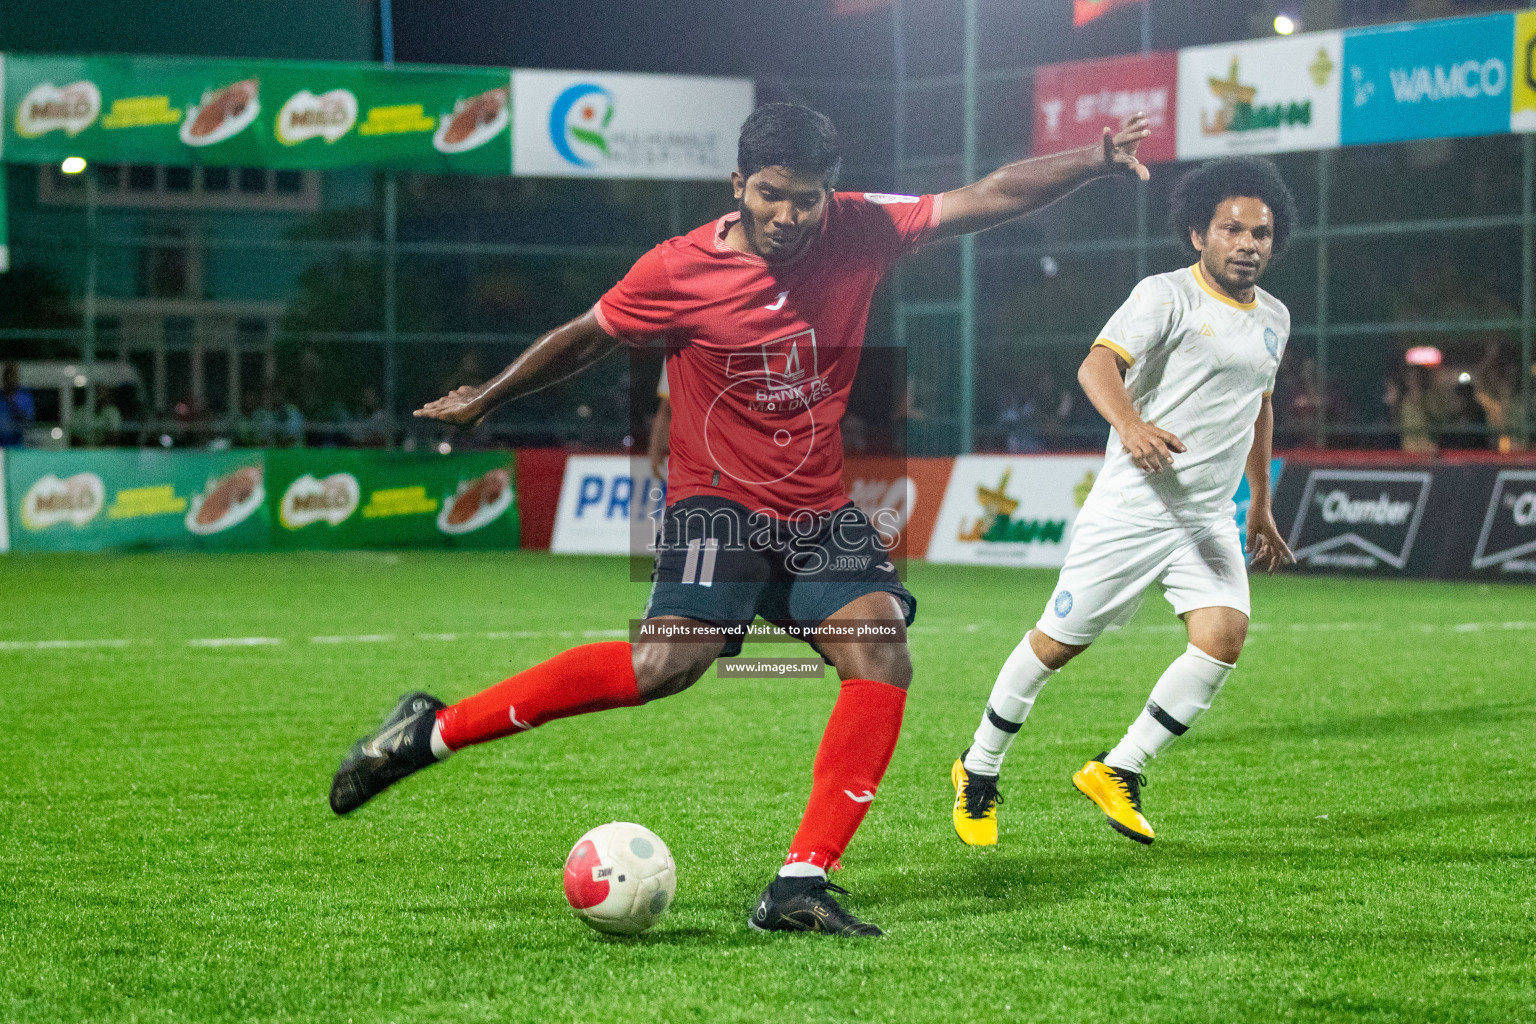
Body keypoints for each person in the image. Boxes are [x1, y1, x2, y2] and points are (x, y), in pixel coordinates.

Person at [330, 102, 1152, 935]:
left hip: (816, 508)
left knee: (881, 652)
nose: (789, 216)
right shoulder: (676, 269)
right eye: (770, 195)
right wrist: (486, 398)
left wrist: (1095, 157)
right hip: (714, 502)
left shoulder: (863, 228)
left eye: (808, 198)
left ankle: (800, 882)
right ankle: (430, 731)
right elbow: (588, 336)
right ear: (738, 185)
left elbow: (989, 195)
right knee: (665, 666)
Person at [951, 156, 1296, 849]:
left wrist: (1259, 503)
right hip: (1135, 506)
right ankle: (978, 768)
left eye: (1261, 233)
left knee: (1222, 637)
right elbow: (1096, 365)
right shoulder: (1166, 296)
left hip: (1205, 515)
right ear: (1198, 234)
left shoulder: (1276, 319)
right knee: (1055, 645)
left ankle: (1119, 767)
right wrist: (1131, 426)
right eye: (1232, 229)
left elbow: (1258, 408)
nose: (1249, 243)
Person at [0, 362, 36, 447]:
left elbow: (28, 423)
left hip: (17, 445)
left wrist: (13, 405)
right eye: (7, 375)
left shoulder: (25, 397)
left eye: (13, 375)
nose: (10, 379)